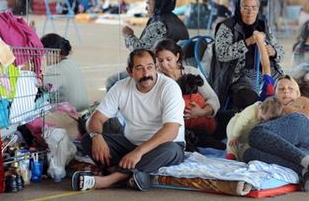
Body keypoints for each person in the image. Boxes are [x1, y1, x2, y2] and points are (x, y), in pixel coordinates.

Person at [72, 49, 185, 192]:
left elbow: (171, 131)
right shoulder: (120, 87)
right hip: (130, 144)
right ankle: (132, 175)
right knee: (88, 139)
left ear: (156, 67)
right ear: (130, 71)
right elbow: (95, 119)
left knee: (171, 150)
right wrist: (96, 136)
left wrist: (139, 152)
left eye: (150, 67)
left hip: (163, 146)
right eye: (139, 68)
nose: (146, 74)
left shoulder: (169, 88)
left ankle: (111, 179)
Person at [242, 75, 309, 192]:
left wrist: (288, 109)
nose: (286, 91)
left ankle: (307, 162)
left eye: (290, 89)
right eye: (281, 89)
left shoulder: (300, 101)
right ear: (274, 94)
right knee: (248, 154)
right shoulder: (270, 106)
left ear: (297, 93)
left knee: (255, 133)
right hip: (297, 150)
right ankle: (305, 169)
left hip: (304, 130)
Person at [210, 0, 284, 110]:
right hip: (239, 75)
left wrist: (274, 52)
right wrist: (247, 42)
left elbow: (281, 52)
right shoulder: (227, 27)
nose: (250, 12)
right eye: (246, 7)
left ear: (258, 9)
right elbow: (222, 54)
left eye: (254, 8)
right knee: (250, 97)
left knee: (287, 89)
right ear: (239, 7)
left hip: (267, 72)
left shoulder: (263, 25)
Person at [106, 0, 189, 91]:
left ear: (158, 4)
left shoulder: (159, 24)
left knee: (112, 81)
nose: (146, 7)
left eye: (149, 3)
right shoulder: (174, 19)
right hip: (175, 66)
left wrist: (128, 35)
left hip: (162, 70)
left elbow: (141, 52)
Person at [155, 39, 225, 150]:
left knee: (233, 117)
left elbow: (213, 99)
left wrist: (201, 112)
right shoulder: (157, 80)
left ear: (177, 56)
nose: (164, 64)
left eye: (169, 59)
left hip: (206, 119)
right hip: (181, 127)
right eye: (160, 60)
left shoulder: (192, 72)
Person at [41, 33, 89, 111]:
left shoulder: (56, 70)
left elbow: (40, 90)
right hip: (83, 111)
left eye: (44, 53)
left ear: (55, 52)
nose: (43, 57)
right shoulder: (72, 63)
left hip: (72, 115)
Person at [226, 96, 283, 161]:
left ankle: (241, 154)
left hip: (247, 131)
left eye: (264, 121)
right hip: (235, 125)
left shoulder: (264, 116)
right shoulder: (250, 111)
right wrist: (235, 136)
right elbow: (240, 122)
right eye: (262, 118)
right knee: (232, 142)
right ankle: (231, 155)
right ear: (260, 107)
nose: (262, 121)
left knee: (249, 143)